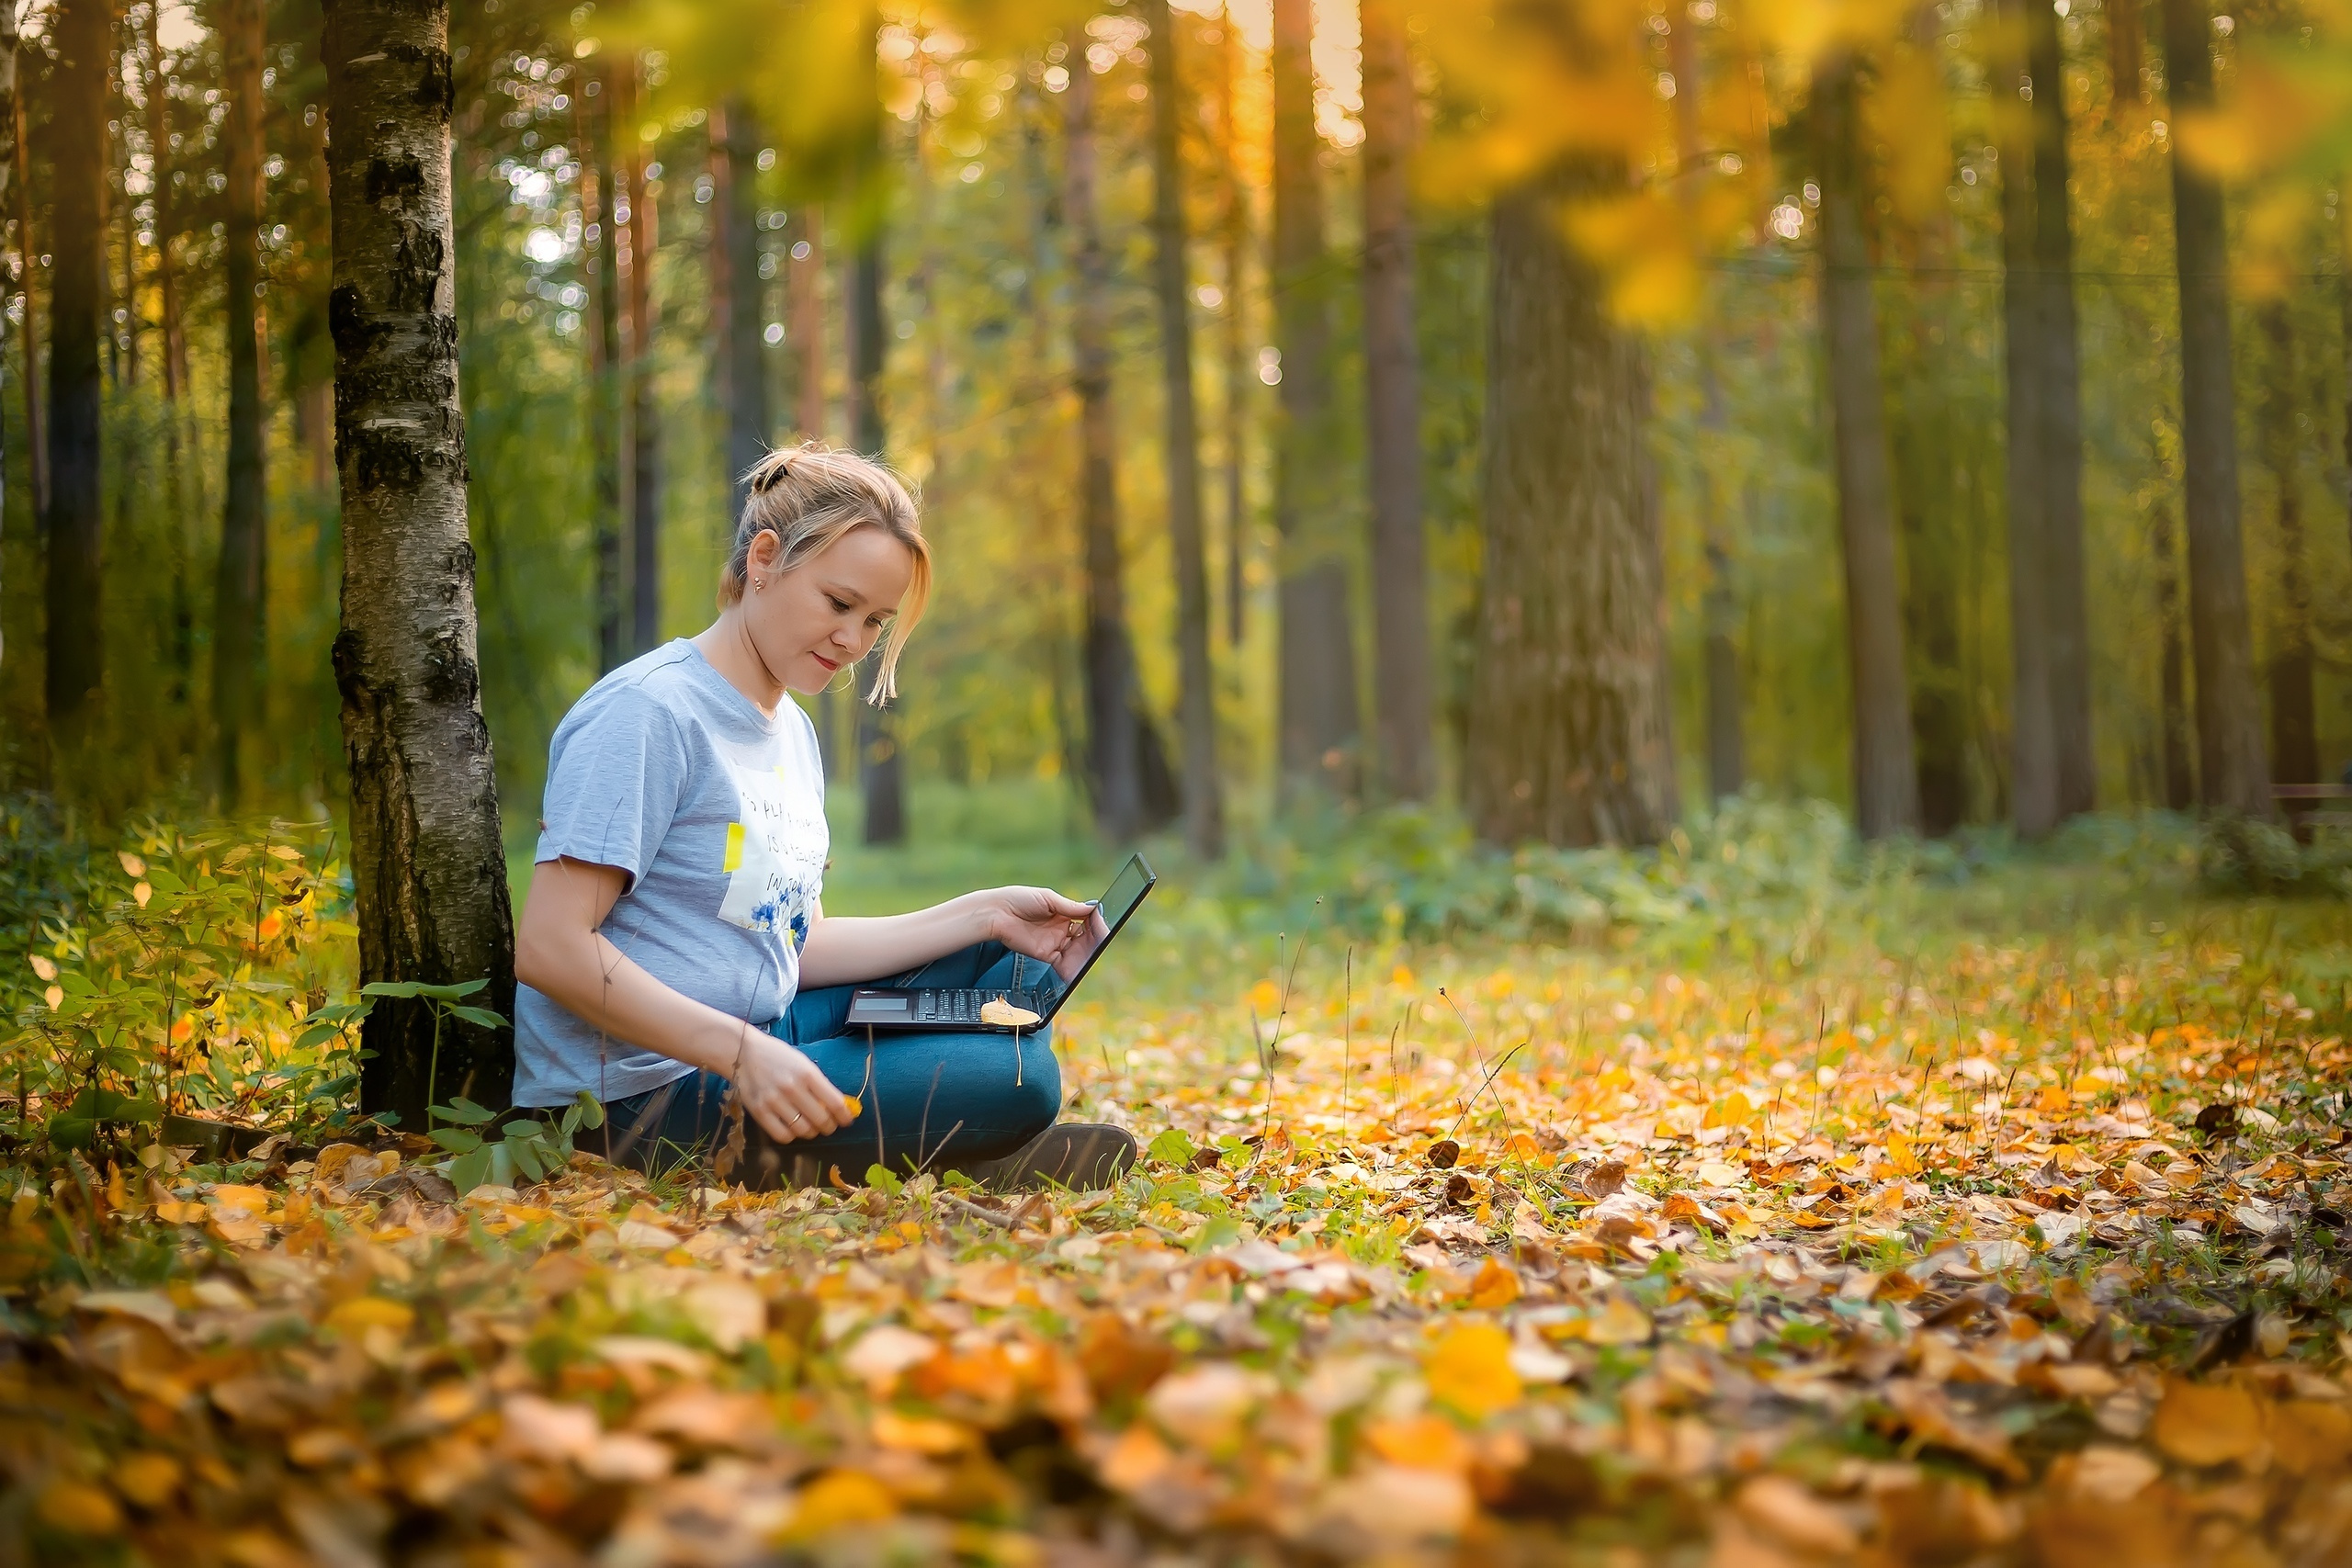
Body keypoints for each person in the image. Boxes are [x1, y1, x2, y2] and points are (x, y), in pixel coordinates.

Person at [513, 444, 1135, 1190]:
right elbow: (551, 948)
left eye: (875, 620)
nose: (853, 640)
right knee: (1019, 1077)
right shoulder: (648, 712)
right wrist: (744, 1053)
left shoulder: (790, 731)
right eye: (839, 604)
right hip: (636, 1093)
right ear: (765, 559)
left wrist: (987, 914)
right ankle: (957, 1152)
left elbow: (789, 945)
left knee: (1003, 968)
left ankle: (934, 1148)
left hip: (763, 1028)